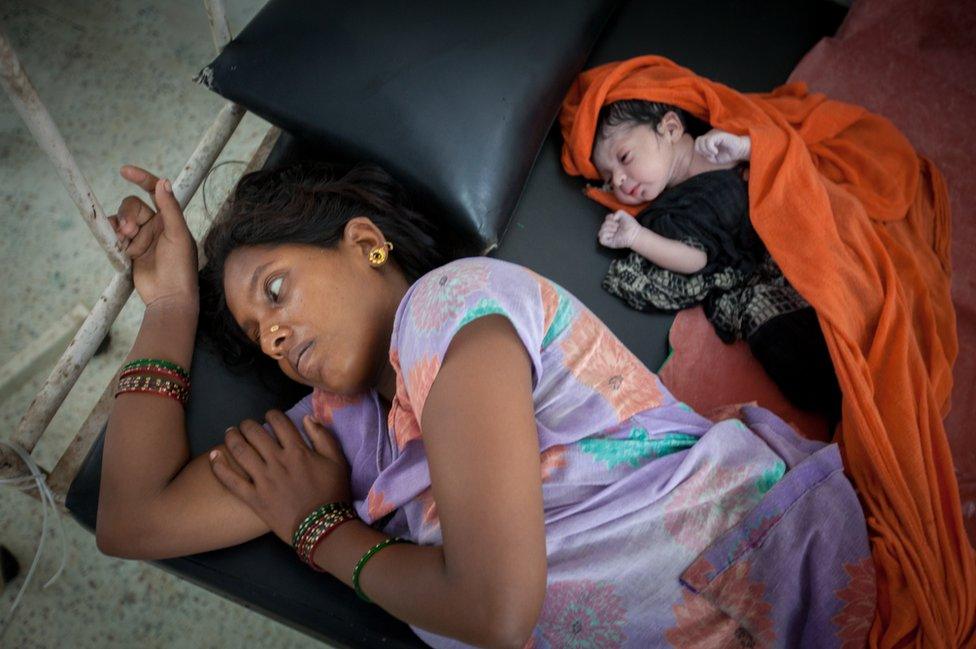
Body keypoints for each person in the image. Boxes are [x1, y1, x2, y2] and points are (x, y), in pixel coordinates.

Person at [95, 161, 873, 648]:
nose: (275, 334)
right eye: (260, 334)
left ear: (365, 242)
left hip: (752, 577)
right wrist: (167, 306)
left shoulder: (453, 305)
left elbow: (495, 610)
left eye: (276, 291)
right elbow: (133, 519)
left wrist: (319, 530)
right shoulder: (337, 428)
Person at [589, 99, 842, 424]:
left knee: (835, 288)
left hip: (796, 237)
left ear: (670, 128)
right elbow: (694, 259)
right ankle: (846, 391)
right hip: (760, 279)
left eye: (624, 159)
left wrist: (747, 148)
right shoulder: (671, 213)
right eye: (610, 180)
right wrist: (637, 238)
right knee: (786, 340)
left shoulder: (720, 141)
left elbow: (783, 160)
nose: (620, 181)